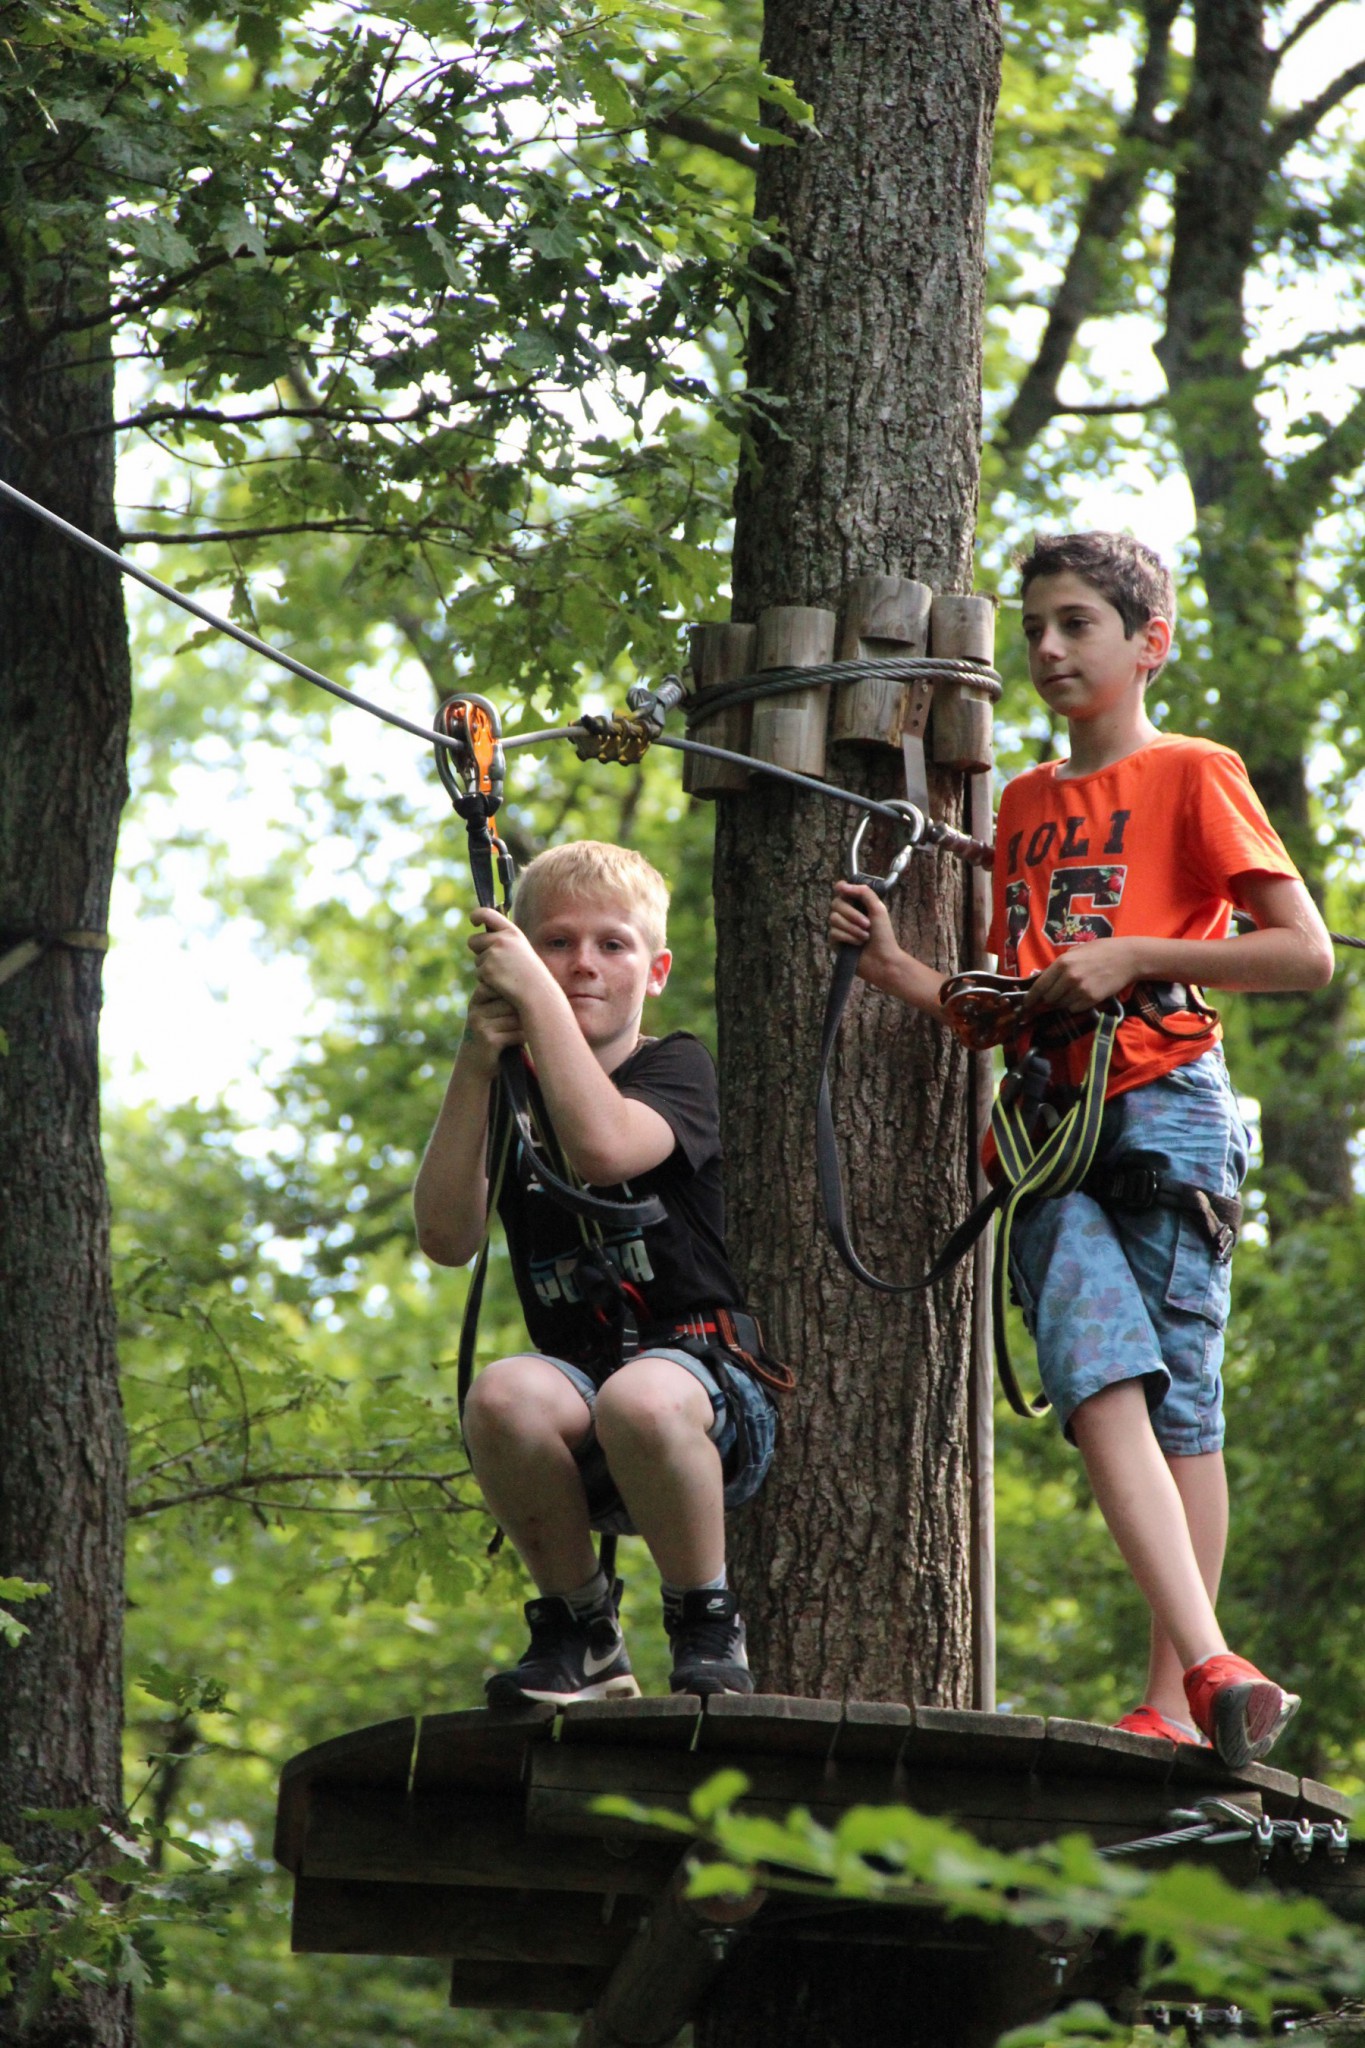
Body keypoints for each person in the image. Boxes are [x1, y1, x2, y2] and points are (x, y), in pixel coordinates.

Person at [829, 531, 1334, 1766]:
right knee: (1093, 1362)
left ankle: (1183, 1692)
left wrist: (1141, 953)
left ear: (1148, 642)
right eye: (1037, 629)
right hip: (1049, 1121)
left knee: (1181, 1403)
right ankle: (1213, 1662)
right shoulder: (1024, 804)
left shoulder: (1193, 772)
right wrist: (902, 972)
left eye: (1076, 626)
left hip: (1165, 1103)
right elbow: (1020, 995)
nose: (1048, 649)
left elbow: (1302, 952)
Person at [414, 840, 779, 1705]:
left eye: (610, 945)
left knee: (641, 1396)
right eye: (555, 944)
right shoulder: (511, 1099)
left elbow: (607, 1146)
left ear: (652, 972)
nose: (582, 966)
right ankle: (581, 1629)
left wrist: (535, 998)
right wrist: (476, 1063)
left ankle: (704, 1617)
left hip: (701, 1399)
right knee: (502, 1392)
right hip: (586, 1406)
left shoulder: (675, 1067)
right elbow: (444, 1236)